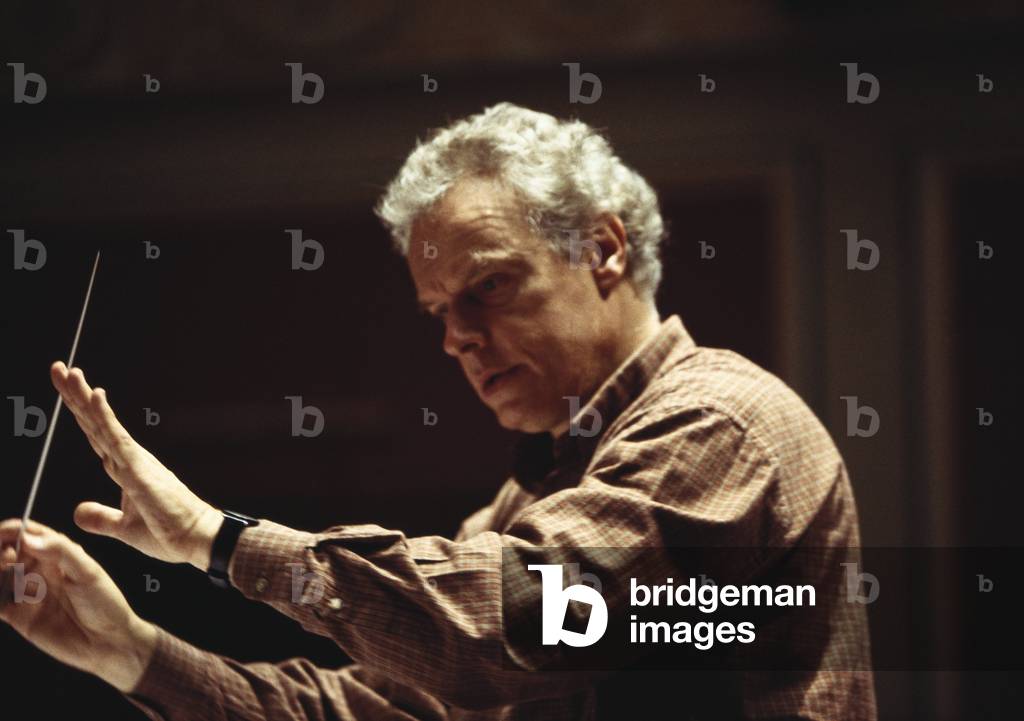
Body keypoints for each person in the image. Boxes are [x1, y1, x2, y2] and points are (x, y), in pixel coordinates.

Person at [0, 103, 876, 720]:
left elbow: (510, 620)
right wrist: (131, 650)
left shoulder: (718, 422)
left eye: (488, 286)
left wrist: (213, 537)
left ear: (603, 250)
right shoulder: (532, 496)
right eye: (438, 312)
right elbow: (376, 709)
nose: (457, 336)